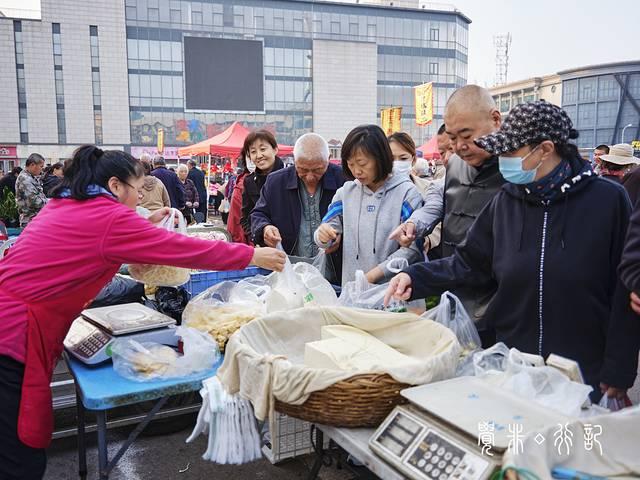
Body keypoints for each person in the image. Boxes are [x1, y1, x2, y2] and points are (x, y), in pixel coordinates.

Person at [0, 145, 286, 479]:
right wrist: (251, 256)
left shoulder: (67, 204)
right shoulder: (107, 217)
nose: (139, 197)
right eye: (137, 190)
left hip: (12, 325)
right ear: (116, 186)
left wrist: (141, 222)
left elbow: (102, 235)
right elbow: (183, 249)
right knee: (19, 460)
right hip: (14, 338)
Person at [385, 100, 640, 400]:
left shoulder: (608, 200)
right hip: (516, 363)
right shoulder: (506, 200)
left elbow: (625, 291)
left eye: (509, 152)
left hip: (583, 370)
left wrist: (619, 369)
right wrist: (415, 277)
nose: (502, 159)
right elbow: (469, 262)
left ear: (545, 150)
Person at [388, 85, 504, 342]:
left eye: (466, 135)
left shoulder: (517, 170)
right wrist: (415, 225)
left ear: (496, 120)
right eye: (452, 138)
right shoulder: (455, 166)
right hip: (454, 290)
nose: (460, 146)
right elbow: (437, 202)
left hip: (499, 303)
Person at [314, 125, 423, 286]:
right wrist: (322, 236)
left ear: (381, 158)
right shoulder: (345, 193)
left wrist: (372, 276)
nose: (356, 171)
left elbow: (413, 249)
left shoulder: (407, 194)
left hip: (393, 294)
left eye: (362, 163)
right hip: (353, 293)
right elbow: (326, 234)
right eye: (351, 164)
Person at [251, 133, 345, 282]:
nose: (309, 177)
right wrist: (265, 228)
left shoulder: (344, 180)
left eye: (317, 170)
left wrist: (342, 236)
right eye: (302, 169)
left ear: (328, 161)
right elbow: (258, 214)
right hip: (289, 274)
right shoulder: (275, 182)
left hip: (335, 274)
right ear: (294, 161)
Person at [388, 132, 442, 258]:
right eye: (391, 158)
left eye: (403, 158)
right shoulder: (378, 190)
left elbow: (436, 218)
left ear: (413, 159)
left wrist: (428, 240)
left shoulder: (428, 187)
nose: (396, 163)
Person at [240, 130, 285, 238]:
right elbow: (245, 217)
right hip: (264, 245)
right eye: (253, 152)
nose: (259, 155)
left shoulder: (290, 177)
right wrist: (256, 237)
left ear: (275, 149)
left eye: (263, 149)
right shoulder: (249, 181)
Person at [15, 153, 47, 227]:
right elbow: (34, 202)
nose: (42, 169)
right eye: (41, 166)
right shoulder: (25, 179)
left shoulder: (31, 177)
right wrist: (49, 203)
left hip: (35, 219)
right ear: (32, 165)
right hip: (30, 220)